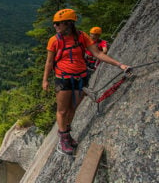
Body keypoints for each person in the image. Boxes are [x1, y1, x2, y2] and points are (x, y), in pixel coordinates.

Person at [42, 9, 129, 155]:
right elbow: (49, 62)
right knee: (62, 110)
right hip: (63, 78)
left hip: (81, 78)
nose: (55, 26)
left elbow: (98, 53)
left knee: (72, 109)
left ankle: (67, 133)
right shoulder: (54, 40)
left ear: (69, 23)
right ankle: (63, 138)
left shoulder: (82, 37)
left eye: (58, 24)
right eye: (54, 24)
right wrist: (45, 80)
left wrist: (120, 65)